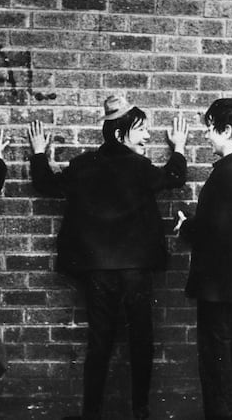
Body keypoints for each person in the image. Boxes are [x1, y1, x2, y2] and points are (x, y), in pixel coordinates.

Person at [27, 94, 189, 420]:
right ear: (119, 134)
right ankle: (140, 410)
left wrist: (38, 153)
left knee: (99, 343)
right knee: (141, 339)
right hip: (135, 270)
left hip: (97, 271)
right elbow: (174, 177)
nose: (147, 137)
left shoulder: (83, 166)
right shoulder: (141, 168)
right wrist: (180, 148)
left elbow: (45, 183)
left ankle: (91, 413)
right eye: (141, 130)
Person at [174, 99, 232, 420]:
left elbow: (213, 230)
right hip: (231, 283)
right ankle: (231, 411)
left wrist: (187, 226)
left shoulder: (227, 174)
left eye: (210, 128)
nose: (207, 134)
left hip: (217, 284)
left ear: (226, 130)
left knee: (215, 357)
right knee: (227, 349)